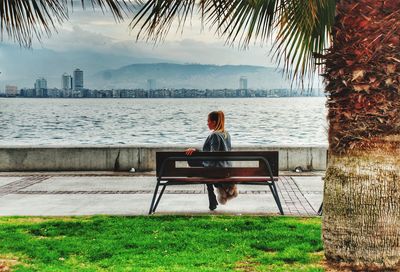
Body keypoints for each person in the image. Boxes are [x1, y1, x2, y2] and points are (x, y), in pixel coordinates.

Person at [186, 111, 238, 211]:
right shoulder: (227, 134)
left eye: (208, 121)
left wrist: (196, 152)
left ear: (214, 122)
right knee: (204, 168)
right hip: (225, 168)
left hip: (216, 169)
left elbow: (212, 155)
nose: (207, 123)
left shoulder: (215, 135)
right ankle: (212, 193)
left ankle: (214, 189)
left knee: (191, 160)